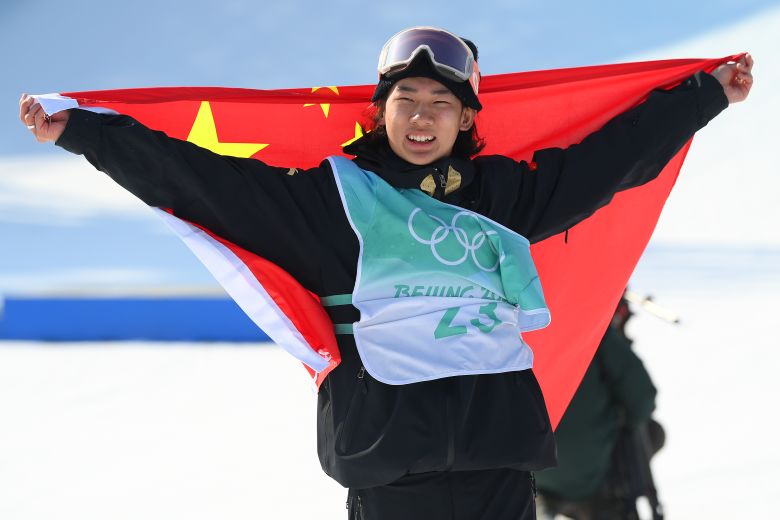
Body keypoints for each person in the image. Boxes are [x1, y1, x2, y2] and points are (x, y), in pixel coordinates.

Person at [19, 27, 753, 520]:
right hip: (389, 470)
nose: (424, 116)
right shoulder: (329, 200)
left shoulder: (500, 196)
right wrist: (85, 131)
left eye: (443, 103)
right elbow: (201, 178)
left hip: (499, 467)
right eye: (408, 101)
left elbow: (607, 159)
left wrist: (704, 95)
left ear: (467, 121)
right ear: (380, 113)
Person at [535, 293, 665, 520]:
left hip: (524, 465)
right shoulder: (585, 314)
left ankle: (545, 500)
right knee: (653, 433)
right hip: (583, 467)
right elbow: (642, 400)